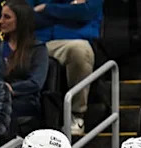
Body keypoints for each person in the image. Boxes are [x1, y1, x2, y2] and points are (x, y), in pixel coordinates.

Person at [32, 0, 103, 136]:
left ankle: (76, 114)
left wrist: (47, 9)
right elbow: (26, 16)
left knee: (80, 50)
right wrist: (69, 9)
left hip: (72, 40)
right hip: (37, 41)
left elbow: (86, 12)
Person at [0, 0, 48, 120]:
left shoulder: (38, 49)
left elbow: (36, 82)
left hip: (26, 101)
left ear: (21, 20)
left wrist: (11, 88)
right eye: (1, 16)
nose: (1, 21)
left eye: (7, 17)